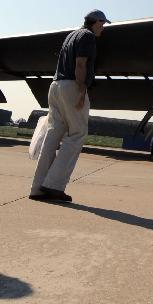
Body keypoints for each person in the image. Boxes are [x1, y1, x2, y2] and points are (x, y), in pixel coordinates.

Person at [30, 10, 110, 202]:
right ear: (96, 22)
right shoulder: (88, 37)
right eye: (103, 24)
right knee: (77, 134)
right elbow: (81, 64)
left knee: (53, 136)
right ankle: (54, 186)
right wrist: (82, 90)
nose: (103, 28)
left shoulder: (71, 35)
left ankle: (37, 188)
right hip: (72, 86)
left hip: (55, 85)